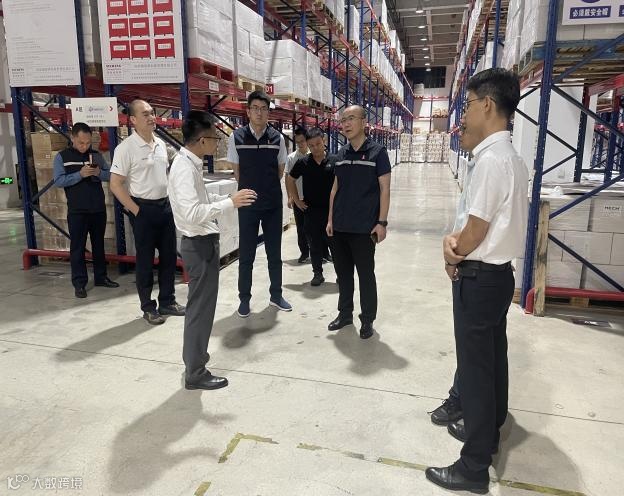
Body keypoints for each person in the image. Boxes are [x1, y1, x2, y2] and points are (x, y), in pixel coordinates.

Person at [425, 68, 528, 494]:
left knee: (476, 368)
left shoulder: (491, 161)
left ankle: (473, 467)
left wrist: (453, 251)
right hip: (498, 277)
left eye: (467, 104)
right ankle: (490, 428)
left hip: (480, 277)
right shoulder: (511, 157)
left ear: (487, 104)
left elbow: (475, 230)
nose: (464, 114)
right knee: (492, 359)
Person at [168, 111, 257, 390]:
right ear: (202, 140)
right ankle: (195, 372)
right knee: (200, 310)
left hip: (202, 243)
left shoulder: (189, 163)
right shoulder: (184, 168)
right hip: (198, 245)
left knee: (202, 308)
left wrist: (228, 198)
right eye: (215, 137)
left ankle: (196, 362)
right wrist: (230, 203)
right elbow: (192, 213)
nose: (217, 142)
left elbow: (200, 201)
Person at [110, 99, 185, 325]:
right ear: (133, 119)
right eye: (146, 114)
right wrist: (136, 211)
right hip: (143, 210)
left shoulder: (161, 144)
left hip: (165, 208)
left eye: (152, 113)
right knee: (145, 261)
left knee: (169, 257)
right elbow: (115, 184)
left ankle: (167, 301)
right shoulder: (125, 148)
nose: (152, 117)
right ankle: (148, 307)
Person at [326, 105, 391, 340]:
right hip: (340, 227)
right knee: (343, 275)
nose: (346, 124)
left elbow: (385, 189)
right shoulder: (340, 154)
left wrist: (382, 222)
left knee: (365, 276)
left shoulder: (377, 153)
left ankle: (367, 320)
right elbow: (335, 189)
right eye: (343, 120)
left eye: (351, 118)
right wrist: (330, 219)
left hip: (364, 228)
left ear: (364, 122)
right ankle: (345, 314)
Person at [226, 90, 291, 318]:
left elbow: (280, 170)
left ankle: (276, 295)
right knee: (246, 255)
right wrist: (250, 190)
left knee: (275, 254)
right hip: (248, 205)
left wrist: (265, 187)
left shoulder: (277, 138)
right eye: (255, 108)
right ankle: (244, 299)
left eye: (264, 109)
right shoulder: (236, 137)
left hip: (272, 204)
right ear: (248, 111)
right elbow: (237, 171)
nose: (259, 113)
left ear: (268, 112)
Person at [429, 160, 477, 426]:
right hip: (473, 265)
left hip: (475, 267)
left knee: (472, 346)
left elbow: (477, 227)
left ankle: (464, 403)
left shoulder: (492, 164)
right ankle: (473, 405)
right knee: (475, 346)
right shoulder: (482, 162)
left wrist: (451, 258)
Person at [53, 122, 119, 298]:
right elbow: (58, 181)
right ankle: (79, 283)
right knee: (78, 247)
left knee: (99, 245)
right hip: (77, 211)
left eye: (88, 142)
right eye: (81, 142)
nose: (85, 146)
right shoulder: (62, 157)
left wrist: (99, 173)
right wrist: (79, 175)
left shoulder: (96, 156)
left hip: (97, 209)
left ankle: (101, 277)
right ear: (73, 138)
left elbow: (110, 175)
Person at [286, 127, 334, 286]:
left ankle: (341, 274)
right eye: (311, 145)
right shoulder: (304, 162)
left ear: (324, 140)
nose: (315, 148)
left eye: (318, 144)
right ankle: (317, 274)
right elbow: (290, 179)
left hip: (331, 212)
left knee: (335, 245)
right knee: (314, 244)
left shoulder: (334, 161)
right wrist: (296, 200)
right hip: (311, 211)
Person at [285, 126, 311, 264]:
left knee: (318, 226)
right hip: (298, 198)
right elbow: (288, 179)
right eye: (298, 142)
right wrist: (290, 197)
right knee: (301, 228)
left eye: (302, 141)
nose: (300, 144)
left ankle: (324, 252)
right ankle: (304, 253)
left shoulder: (314, 155)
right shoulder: (291, 158)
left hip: (314, 198)